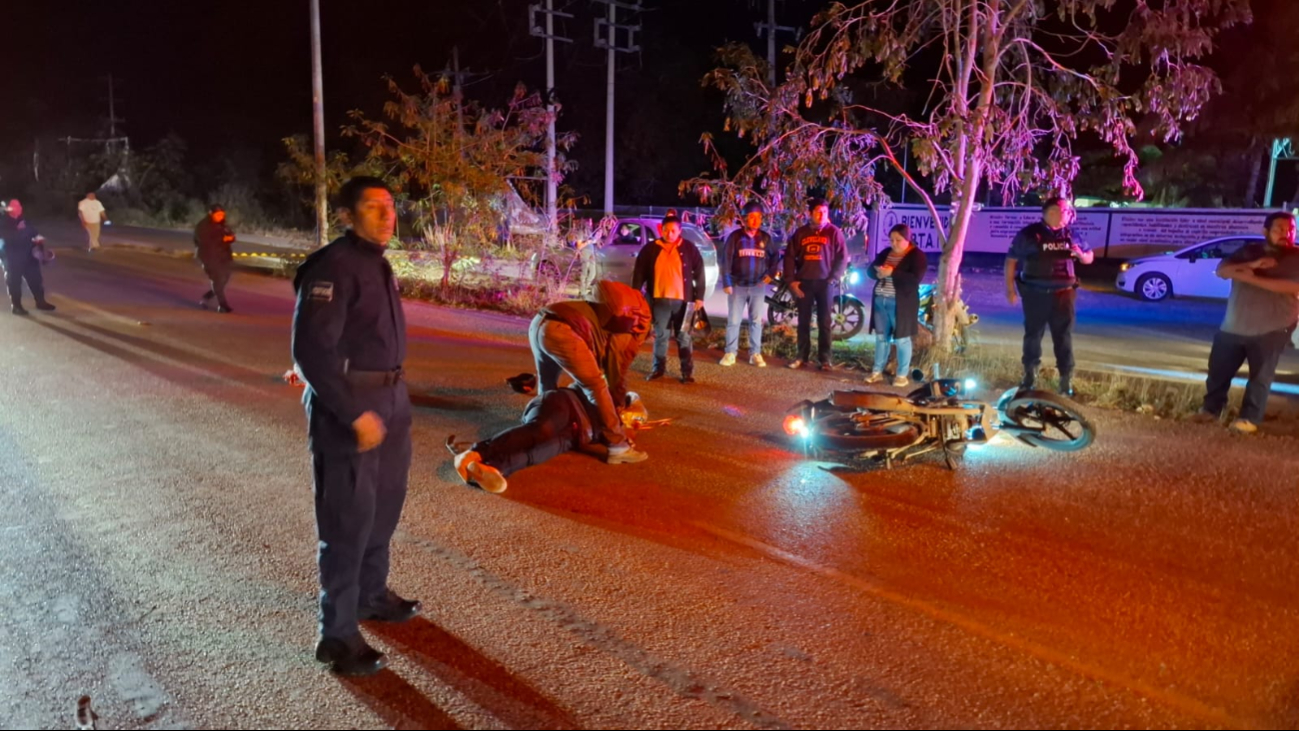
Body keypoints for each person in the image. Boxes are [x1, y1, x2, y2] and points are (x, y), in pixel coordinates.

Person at [291, 177, 418, 677]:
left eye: (390, 206)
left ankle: (370, 594)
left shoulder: (378, 263)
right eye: (373, 207)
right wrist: (351, 412)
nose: (388, 215)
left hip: (391, 398)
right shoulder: (333, 267)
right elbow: (311, 351)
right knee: (346, 523)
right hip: (351, 408)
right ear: (348, 215)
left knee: (383, 509)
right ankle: (337, 635)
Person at [500, 279, 651, 473]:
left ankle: (537, 424)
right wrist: (618, 407)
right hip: (563, 332)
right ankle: (618, 447)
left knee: (548, 384)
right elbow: (615, 375)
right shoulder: (631, 332)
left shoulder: (607, 313)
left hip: (541, 321)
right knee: (595, 386)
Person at [1192, 211, 1299, 434]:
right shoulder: (1249, 251)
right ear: (1265, 231)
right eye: (1280, 229)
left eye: (1291, 229)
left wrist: (1248, 276)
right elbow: (1222, 271)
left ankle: (1249, 419)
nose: (1286, 234)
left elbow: (1292, 287)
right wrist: (1255, 263)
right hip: (1234, 323)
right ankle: (1210, 411)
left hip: (1274, 326)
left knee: (1260, 376)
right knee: (1218, 372)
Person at [450, 385, 650, 494]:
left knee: (541, 451)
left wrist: (625, 438)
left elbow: (616, 452)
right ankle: (474, 453)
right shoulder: (614, 396)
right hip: (564, 403)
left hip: (574, 435)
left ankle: (492, 469)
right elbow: (604, 388)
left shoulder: (616, 435)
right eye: (632, 419)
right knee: (540, 431)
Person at [1005, 196, 1093, 396]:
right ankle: (1029, 378)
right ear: (1053, 212)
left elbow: (1089, 257)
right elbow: (1010, 261)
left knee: (1063, 337)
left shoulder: (1072, 234)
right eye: (1067, 211)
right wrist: (1010, 290)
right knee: (1033, 336)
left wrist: (1081, 255)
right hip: (1035, 295)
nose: (1070, 215)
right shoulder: (1028, 235)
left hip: (1064, 295)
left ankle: (1065, 381)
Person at [633, 215, 706, 383]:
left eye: (673, 230)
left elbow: (700, 272)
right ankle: (658, 369)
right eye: (666, 230)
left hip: (684, 303)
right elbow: (639, 272)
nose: (670, 233)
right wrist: (635, 293)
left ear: (680, 231)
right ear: (661, 230)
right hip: (660, 301)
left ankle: (687, 372)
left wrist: (699, 297)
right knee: (661, 336)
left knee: (684, 336)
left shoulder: (689, 248)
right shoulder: (651, 248)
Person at [784, 198, 848, 370]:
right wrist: (791, 281)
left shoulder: (834, 233)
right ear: (810, 213)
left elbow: (842, 257)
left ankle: (825, 359)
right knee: (803, 322)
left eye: (825, 212)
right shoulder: (801, 233)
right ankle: (801, 357)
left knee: (825, 322)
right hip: (804, 283)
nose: (822, 215)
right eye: (818, 212)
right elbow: (789, 257)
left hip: (825, 284)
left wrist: (833, 278)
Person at [718, 200, 779, 367]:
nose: (755, 221)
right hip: (738, 285)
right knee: (734, 321)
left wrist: (771, 274)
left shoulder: (765, 238)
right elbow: (726, 260)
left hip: (757, 286)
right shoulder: (735, 237)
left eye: (758, 217)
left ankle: (755, 354)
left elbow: (775, 257)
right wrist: (727, 282)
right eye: (751, 217)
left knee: (756, 321)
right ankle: (730, 353)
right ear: (744, 219)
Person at [865, 223, 928, 386]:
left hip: (901, 303)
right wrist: (878, 271)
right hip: (881, 299)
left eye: (898, 240)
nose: (894, 243)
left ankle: (902, 375)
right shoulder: (886, 253)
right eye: (891, 240)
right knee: (881, 338)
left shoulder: (916, 255)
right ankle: (876, 372)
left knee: (902, 339)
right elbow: (870, 270)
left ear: (907, 239)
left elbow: (915, 279)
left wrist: (892, 272)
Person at [0, 200, 55, 315]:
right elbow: (6, 238)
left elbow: (33, 232)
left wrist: (39, 243)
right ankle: (16, 306)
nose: (18, 208)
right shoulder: (3, 221)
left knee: (36, 279)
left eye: (19, 205)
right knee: (14, 282)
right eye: (14, 206)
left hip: (29, 255)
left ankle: (40, 302)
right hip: (11, 257)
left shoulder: (24, 219)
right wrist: (18, 230)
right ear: (7, 209)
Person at [194, 204, 236, 313]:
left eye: (222, 214)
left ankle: (207, 297)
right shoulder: (203, 226)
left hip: (224, 256)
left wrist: (230, 238)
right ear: (211, 214)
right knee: (217, 280)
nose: (220, 217)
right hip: (209, 257)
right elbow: (205, 241)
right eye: (218, 214)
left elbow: (231, 236)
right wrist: (223, 239)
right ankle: (223, 305)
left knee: (224, 279)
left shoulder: (223, 225)